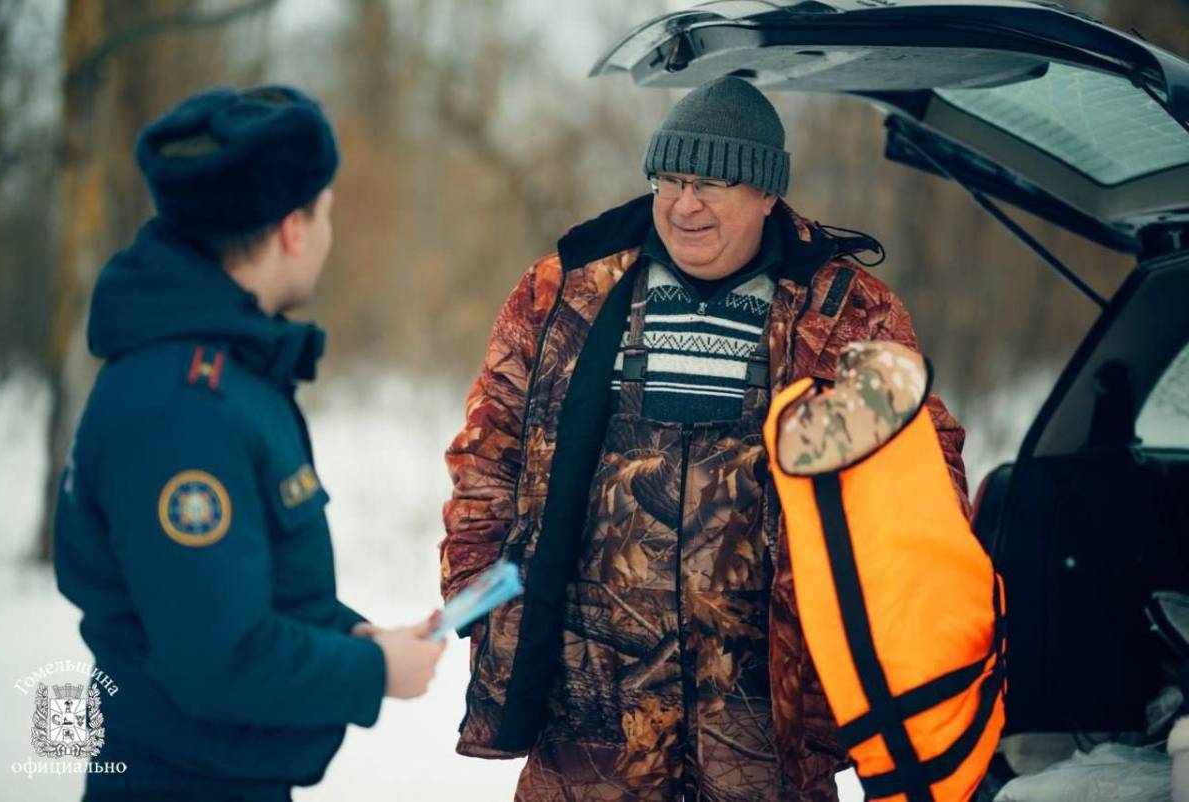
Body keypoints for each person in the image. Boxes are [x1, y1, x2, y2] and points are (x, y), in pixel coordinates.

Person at [440, 76, 969, 801]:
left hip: (763, 708)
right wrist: (477, 605)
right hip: (588, 699)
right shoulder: (569, 287)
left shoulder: (845, 310)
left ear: (766, 195)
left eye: (713, 182)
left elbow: (925, 481)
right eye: (672, 179)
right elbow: (487, 453)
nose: (684, 204)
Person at [53, 85, 445, 802]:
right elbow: (217, 658)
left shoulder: (227, 370)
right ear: (293, 227)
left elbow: (237, 592)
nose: (329, 234)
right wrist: (372, 675)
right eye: (325, 213)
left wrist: (358, 641)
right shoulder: (182, 407)